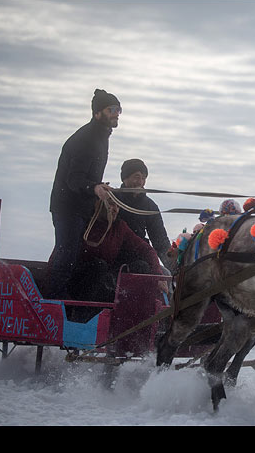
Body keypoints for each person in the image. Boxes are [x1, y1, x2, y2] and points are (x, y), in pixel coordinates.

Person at [48, 89, 121, 300]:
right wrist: (94, 188)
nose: (117, 113)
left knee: (75, 256)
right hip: (67, 208)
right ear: (98, 113)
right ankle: (55, 303)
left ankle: (70, 300)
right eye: (112, 109)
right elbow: (74, 179)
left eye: (119, 109)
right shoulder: (86, 139)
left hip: (82, 207)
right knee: (66, 256)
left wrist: (99, 187)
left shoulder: (101, 136)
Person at [66, 199, 164, 321]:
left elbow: (146, 249)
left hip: (102, 283)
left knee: (140, 267)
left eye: (117, 205)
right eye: (110, 204)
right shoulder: (84, 223)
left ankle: (134, 320)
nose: (114, 209)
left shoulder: (119, 227)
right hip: (79, 282)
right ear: (98, 204)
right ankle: (81, 317)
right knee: (98, 266)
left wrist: (158, 275)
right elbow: (63, 251)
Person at [114, 159, 174, 272]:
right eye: (136, 177)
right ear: (125, 178)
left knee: (166, 274)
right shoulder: (113, 199)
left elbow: (159, 240)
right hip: (114, 253)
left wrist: (173, 266)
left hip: (139, 253)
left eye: (144, 178)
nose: (140, 182)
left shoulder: (150, 206)